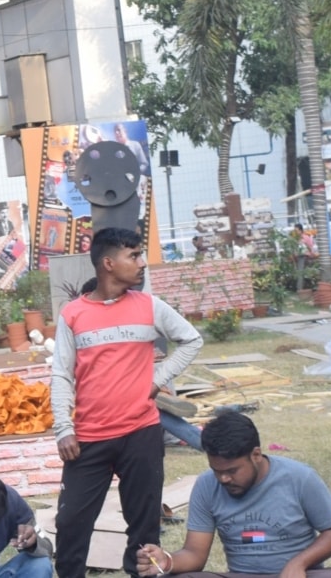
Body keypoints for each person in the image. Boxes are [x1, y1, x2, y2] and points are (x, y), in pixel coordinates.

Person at [53, 227, 204, 578]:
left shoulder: (149, 306)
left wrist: (156, 380)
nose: (142, 263)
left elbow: (191, 340)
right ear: (108, 263)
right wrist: (63, 428)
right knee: (71, 522)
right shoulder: (73, 314)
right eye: (133, 255)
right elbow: (61, 373)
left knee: (144, 527)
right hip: (89, 438)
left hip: (141, 433)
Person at [134, 411, 331, 578]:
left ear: (256, 455)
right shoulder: (206, 485)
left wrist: (299, 563)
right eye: (217, 470)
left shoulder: (299, 478)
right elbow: (194, 554)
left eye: (232, 471)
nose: (223, 479)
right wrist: (167, 561)